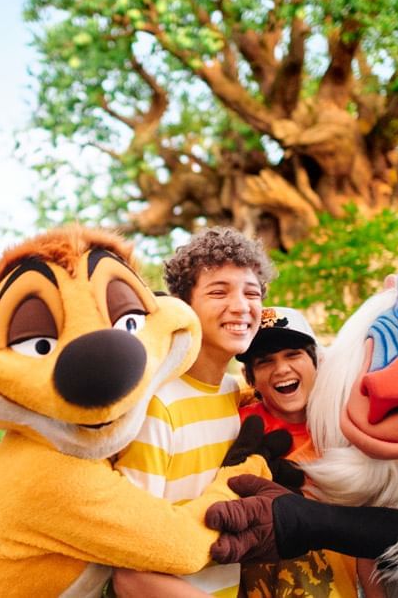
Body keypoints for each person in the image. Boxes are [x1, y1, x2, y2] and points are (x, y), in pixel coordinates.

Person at [111, 226, 276, 597]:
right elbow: (129, 565)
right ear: (183, 308)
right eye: (219, 292)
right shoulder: (156, 405)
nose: (240, 306)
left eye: (252, 293)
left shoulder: (240, 398)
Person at [235, 306, 369, 598]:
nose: (281, 368)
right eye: (265, 361)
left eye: (292, 354)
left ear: (317, 361)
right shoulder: (236, 426)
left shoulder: (347, 428)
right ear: (251, 379)